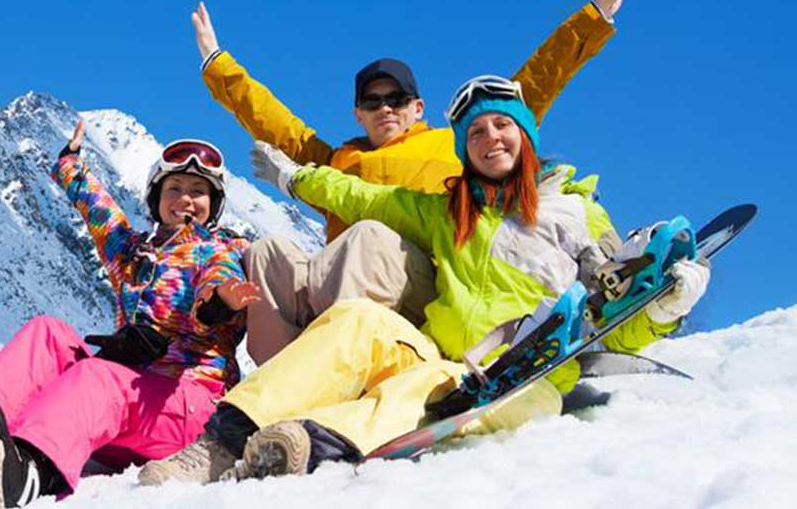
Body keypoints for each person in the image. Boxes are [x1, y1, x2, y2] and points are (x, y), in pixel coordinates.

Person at [138, 75, 710, 484]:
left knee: (427, 394)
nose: (491, 139)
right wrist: (295, 180)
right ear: (464, 149)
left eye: (502, 125)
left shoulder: (576, 212)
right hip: (442, 353)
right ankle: (218, 444)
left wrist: (662, 308)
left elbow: (610, 316)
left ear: (526, 135)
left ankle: (306, 439)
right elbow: (361, 194)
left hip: (526, 377)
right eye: (476, 132)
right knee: (356, 321)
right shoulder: (449, 211)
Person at [193, 0, 643, 364]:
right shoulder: (338, 162)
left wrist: (596, 14)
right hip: (347, 285)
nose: (385, 107)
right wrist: (217, 64)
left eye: (397, 98)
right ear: (357, 113)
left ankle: (344, 376)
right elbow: (275, 123)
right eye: (372, 101)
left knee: (369, 237)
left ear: (418, 108)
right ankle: (279, 386)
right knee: (268, 252)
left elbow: (531, 88)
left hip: (430, 285)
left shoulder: (458, 144)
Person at [0, 121, 262, 507]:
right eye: (175, 189)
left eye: (199, 192)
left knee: (98, 374)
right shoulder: (133, 254)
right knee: (47, 332)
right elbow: (99, 211)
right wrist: (70, 163)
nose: (186, 199)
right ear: (157, 199)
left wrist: (220, 302)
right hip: (128, 411)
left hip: (190, 410)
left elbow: (215, 288)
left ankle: (30, 470)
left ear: (214, 204)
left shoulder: (221, 250)